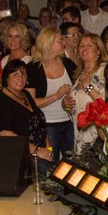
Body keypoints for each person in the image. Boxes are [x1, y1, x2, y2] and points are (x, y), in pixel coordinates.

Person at [0, 59, 53, 175]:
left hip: (39, 153)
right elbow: (5, 133)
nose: (21, 78)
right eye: (15, 74)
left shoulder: (26, 94)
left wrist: (48, 149)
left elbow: (39, 122)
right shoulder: (0, 101)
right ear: (6, 78)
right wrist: (36, 150)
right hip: (17, 157)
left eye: (23, 74)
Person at [26, 27, 76, 162]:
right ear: (48, 43)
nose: (64, 43)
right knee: (51, 161)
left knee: (72, 161)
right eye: (60, 40)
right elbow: (31, 103)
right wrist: (56, 96)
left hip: (69, 122)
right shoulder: (33, 68)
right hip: (47, 125)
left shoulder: (68, 64)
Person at [71, 33, 107, 153]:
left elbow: (106, 104)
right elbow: (76, 107)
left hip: (98, 137)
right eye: (81, 45)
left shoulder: (104, 71)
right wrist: (66, 105)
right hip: (79, 137)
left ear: (98, 50)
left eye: (89, 45)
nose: (84, 49)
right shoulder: (79, 74)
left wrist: (88, 86)